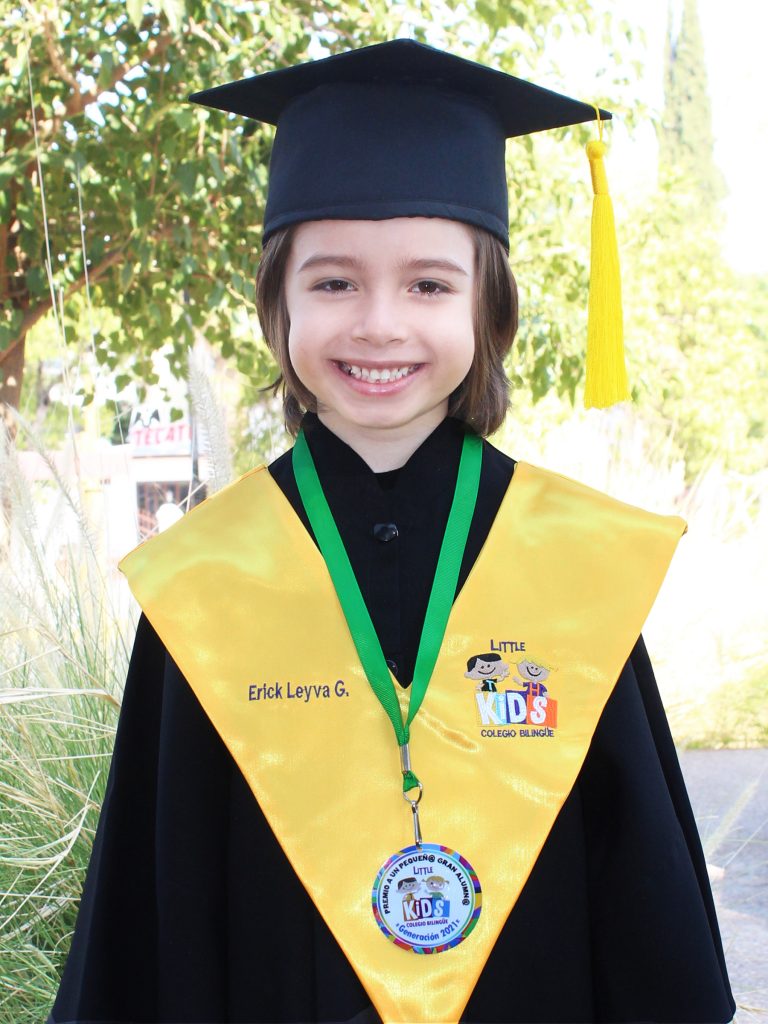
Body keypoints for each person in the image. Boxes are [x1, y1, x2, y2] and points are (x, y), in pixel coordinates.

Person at [49, 40, 736, 1024]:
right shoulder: (212, 579)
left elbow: (641, 901)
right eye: (332, 283)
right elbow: (153, 910)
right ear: (275, 304)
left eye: (428, 285)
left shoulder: (572, 562)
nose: (380, 324)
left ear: (488, 307)